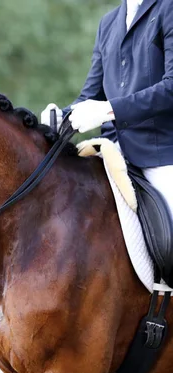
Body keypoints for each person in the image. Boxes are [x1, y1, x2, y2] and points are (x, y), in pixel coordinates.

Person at [40, 0, 173, 218]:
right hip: (112, 151)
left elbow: (171, 88)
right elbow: (91, 96)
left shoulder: (168, 8)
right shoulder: (108, 23)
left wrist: (109, 110)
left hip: (160, 156)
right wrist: (62, 117)